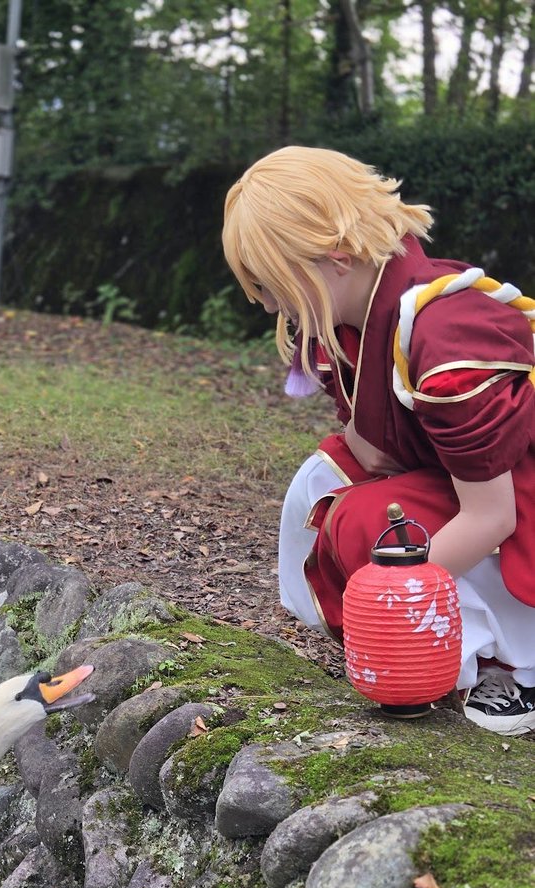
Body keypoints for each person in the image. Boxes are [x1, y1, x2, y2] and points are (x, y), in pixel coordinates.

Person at [221, 145, 535, 735]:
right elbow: (365, 444)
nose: (264, 303)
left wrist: (390, 604)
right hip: (464, 485)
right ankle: (421, 647)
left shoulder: (448, 334)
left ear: (335, 257)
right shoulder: (347, 316)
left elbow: (492, 514)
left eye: (269, 283)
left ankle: (508, 665)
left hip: (517, 503)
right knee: (326, 483)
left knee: (370, 521)